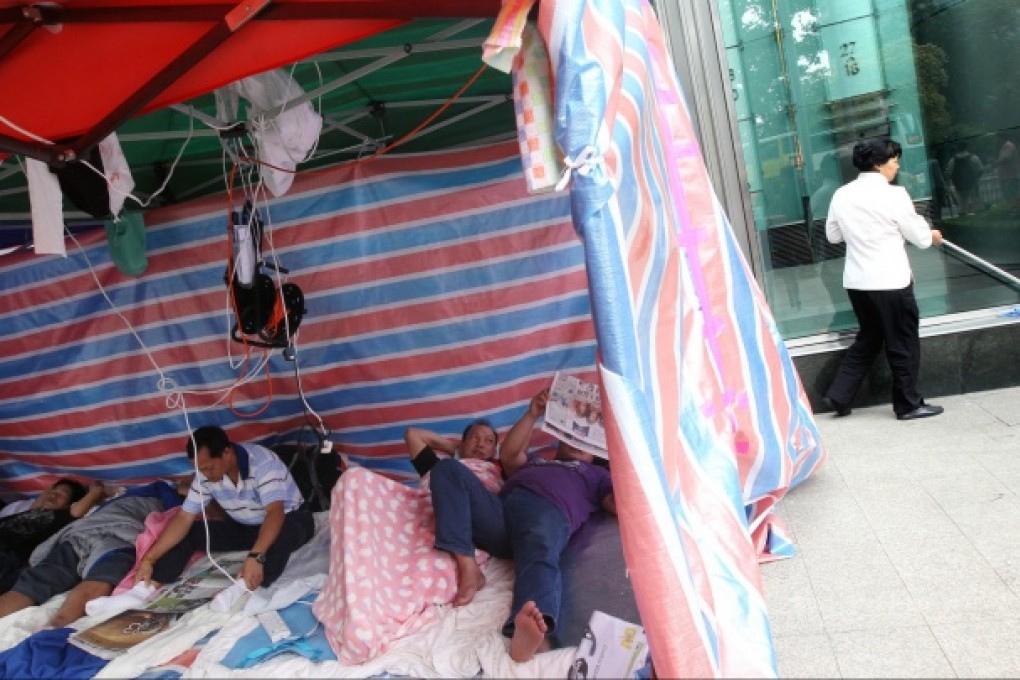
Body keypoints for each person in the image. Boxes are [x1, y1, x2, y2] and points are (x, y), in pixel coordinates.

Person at [427, 387, 615, 663]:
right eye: (572, 435)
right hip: (501, 513)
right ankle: (467, 565)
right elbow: (510, 454)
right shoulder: (538, 460)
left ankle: (531, 637)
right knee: (446, 469)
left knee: (540, 549)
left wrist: (623, 456)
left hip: (546, 513)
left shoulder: (597, 474)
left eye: (586, 442)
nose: (578, 441)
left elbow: (618, 504)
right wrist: (533, 413)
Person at [822, 137, 944, 421]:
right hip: (891, 281)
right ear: (878, 164)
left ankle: (839, 394)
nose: (896, 166)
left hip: (858, 283)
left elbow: (833, 236)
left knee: (869, 337)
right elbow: (921, 238)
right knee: (902, 342)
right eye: (894, 161)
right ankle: (908, 404)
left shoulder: (842, 194)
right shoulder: (895, 195)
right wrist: (932, 235)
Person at [127, 426, 313, 610]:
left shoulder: (263, 463)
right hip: (245, 527)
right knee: (192, 531)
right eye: (201, 470)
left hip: (289, 519)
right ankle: (147, 587)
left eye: (209, 468)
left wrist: (256, 556)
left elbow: (275, 513)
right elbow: (184, 517)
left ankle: (242, 587)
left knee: (283, 534)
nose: (205, 474)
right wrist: (148, 560)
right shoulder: (206, 474)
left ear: (227, 452)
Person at [0, 479, 187, 628]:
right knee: (100, 576)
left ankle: (56, 626)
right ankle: (56, 627)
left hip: (92, 534)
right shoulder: (161, 490)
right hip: (112, 533)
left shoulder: (163, 497)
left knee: (35, 582)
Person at [0, 478, 100, 593]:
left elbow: (95, 492)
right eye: (53, 492)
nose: (53, 496)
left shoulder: (62, 516)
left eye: (62, 494)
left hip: (6, 551)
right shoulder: (34, 509)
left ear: (71, 503)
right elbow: (48, 491)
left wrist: (95, 489)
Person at [946, 142, 984, 214]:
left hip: (959, 186)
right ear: (966, 147)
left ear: (957, 149)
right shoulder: (973, 157)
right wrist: (976, 178)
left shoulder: (953, 160)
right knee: (977, 205)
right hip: (973, 185)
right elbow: (981, 170)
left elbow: (948, 173)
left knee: (962, 206)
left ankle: (963, 218)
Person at [996, 132, 1019, 206]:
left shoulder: (1008, 145)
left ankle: (1015, 212)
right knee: (1008, 197)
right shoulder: (1003, 147)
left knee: (1012, 196)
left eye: (997, 138)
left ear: (1002, 138)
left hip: (1010, 177)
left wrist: (995, 162)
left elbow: (1006, 158)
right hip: (1005, 177)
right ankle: (1012, 211)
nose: (996, 141)